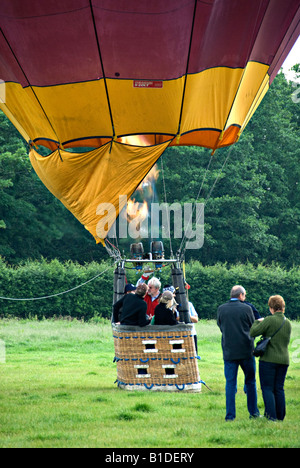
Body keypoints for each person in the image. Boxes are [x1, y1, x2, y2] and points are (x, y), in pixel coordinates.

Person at [217, 285, 260, 421]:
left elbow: (220, 326)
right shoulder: (247, 308)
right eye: (244, 295)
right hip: (246, 351)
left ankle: (230, 416)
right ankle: (253, 413)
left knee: (230, 383)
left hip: (229, 352)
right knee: (251, 382)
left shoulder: (221, 309)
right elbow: (253, 327)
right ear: (241, 295)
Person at [250, 295, 292, 421]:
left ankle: (271, 416)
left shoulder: (269, 320)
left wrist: (258, 321)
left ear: (271, 307)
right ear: (283, 307)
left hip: (268, 359)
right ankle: (280, 416)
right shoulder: (288, 322)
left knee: (267, 388)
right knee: (279, 388)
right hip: (284, 359)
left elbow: (253, 332)